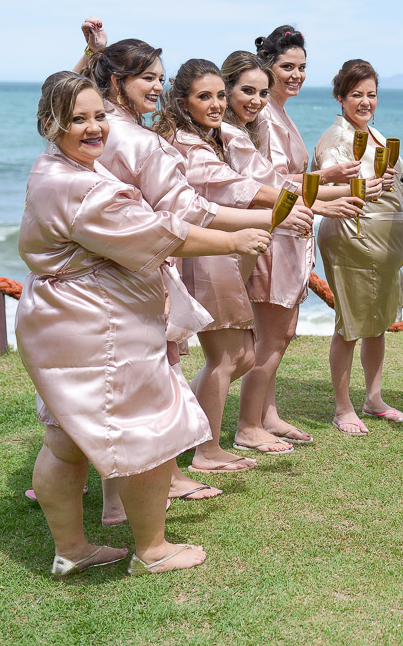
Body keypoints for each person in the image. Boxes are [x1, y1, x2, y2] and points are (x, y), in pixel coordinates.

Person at [17, 72, 269, 577]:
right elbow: (160, 232)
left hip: (60, 317)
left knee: (64, 438)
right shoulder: (83, 189)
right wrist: (235, 241)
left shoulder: (52, 167)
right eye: (78, 120)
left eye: (98, 117)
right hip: (99, 326)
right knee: (148, 432)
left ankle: (72, 549)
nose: (94, 129)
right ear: (50, 124)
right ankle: (152, 550)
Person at [78, 25, 313, 516]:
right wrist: (258, 224)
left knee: (145, 374)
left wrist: (95, 54)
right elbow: (190, 207)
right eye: (148, 78)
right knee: (148, 375)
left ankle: (125, 491)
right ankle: (158, 479)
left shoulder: (129, 129)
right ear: (118, 81)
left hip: (139, 260)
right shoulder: (133, 136)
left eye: (159, 78)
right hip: (136, 263)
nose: (156, 88)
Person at [154, 58, 329, 467]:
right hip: (204, 253)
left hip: (224, 253)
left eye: (218, 96)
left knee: (242, 355)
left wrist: (323, 195)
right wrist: (306, 206)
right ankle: (205, 449)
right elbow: (242, 187)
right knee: (227, 356)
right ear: (182, 101)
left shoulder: (215, 137)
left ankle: (192, 436)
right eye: (205, 97)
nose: (216, 104)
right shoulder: (188, 144)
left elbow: (264, 178)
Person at [219, 50, 363, 450]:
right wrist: (329, 196)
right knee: (273, 335)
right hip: (275, 230)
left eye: (302, 67)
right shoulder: (260, 118)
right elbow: (269, 184)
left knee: (275, 334)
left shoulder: (273, 110)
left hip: (288, 226)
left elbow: (281, 179)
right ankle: (247, 425)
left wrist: (336, 182)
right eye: (287, 67)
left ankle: (266, 415)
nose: (296, 75)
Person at [313, 59, 403, 435]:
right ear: (340, 97)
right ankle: (343, 408)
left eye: (371, 94)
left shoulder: (375, 134)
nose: (365, 101)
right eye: (356, 94)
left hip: (381, 245)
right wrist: (364, 186)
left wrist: (399, 172)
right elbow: (329, 184)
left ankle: (373, 398)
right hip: (351, 240)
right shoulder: (336, 139)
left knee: (377, 324)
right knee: (351, 325)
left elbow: (401, 180)